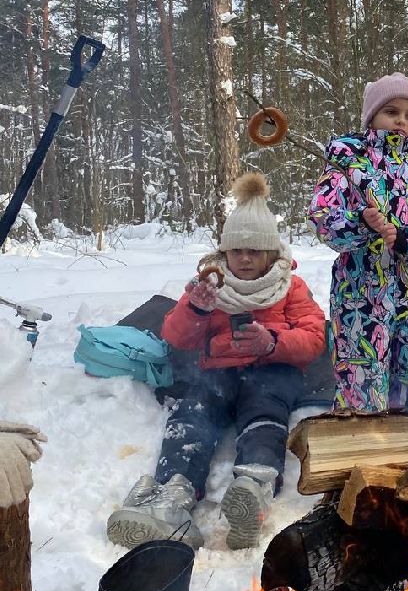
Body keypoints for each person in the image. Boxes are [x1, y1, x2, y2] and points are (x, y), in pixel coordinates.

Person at [107, 173, 325, 550]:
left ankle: (253, 489)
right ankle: (173, 493)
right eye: (236, 250)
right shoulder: (209, 284)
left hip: (272, 370)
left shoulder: (291, 287)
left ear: (270, 253)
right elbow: (175, 337)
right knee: (192, 413)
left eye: (254, 250)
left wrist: (272, 341)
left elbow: (313, 338)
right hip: (217, 372)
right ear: (224, 252)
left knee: (265, 415)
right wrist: (195, 308)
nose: (244, 258)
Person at [309, 72, 408, 414]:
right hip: (361, 296)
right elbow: (323, 216)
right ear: (372, 116)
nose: (401, 121)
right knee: (362, 377)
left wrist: (407, 240)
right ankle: (360, 448)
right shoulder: (348, 163)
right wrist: (362, 222)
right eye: (391, 111)